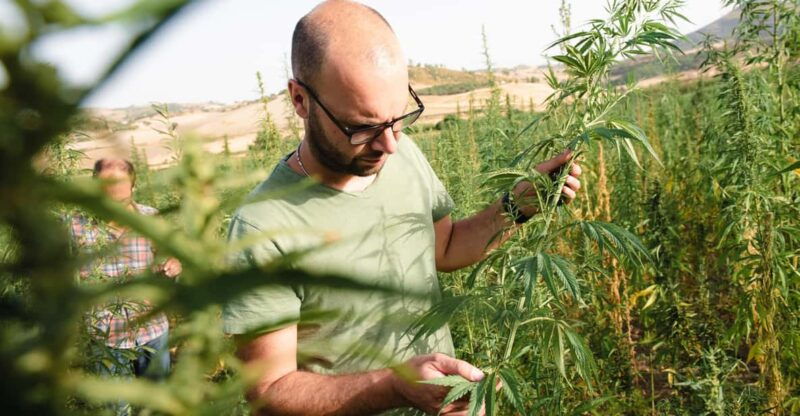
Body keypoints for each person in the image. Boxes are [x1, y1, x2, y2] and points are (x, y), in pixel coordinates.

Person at [223, 1, 582, 415]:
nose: (389, 144)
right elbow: (269, 392)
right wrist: (394, 386)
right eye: (362, 127)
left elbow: (445, 248)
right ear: (300, 100)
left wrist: (516, 206)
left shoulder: (402, 154)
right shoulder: (262, 227)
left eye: (398, 118)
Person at [65, 158, 181, 413]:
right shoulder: (76, 225)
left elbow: (170, 259)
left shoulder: (152, 219)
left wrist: (173, 265)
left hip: (151, 329)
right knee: (115, 410)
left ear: (133, 186)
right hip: (104, 334)